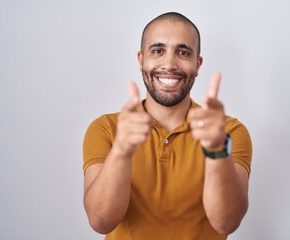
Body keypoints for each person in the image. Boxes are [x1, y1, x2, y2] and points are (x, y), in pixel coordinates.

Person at [83, 12, 252, 240]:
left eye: (183, 52)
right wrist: (121, 150)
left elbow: (227, 222)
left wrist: (216, 150)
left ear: (197, 63)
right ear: (141, 59)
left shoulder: (228, 133)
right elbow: (100, 221)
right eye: (158, 51)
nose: (169, 64)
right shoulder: (105, 129)